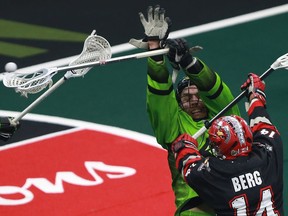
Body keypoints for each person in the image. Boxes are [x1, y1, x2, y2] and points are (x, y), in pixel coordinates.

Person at [129, 5, 241, 216]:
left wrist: (189, 63)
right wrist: (154, 49)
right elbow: (159, 98)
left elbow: (216, 91)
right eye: (187, 98)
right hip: (197, 211)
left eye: (198, 95)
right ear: (178, 105)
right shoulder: (173, 128)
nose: (195, 100)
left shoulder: (225, 117)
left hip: (234, 205)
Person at [171, 73, 284, 215]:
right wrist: (256, 95)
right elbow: (261, 121)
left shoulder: (216, 174)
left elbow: (186, 162)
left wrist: (183, 144)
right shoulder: (270, 151)